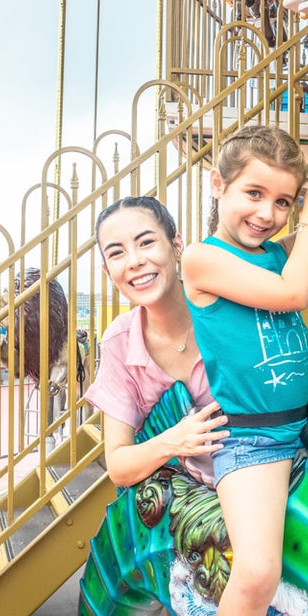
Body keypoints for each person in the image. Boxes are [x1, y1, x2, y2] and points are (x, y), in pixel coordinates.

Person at [180, 55, 308, 616]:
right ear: (219, 185)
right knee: (258, 570)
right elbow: (291, 295)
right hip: (254, 442)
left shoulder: (283, 251)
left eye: (282, 201)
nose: (268, 213)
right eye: (254, 194)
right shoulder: (202, 259)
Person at [87, 196, 230, 489]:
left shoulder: (226, 309)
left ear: (177, 245)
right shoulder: (119, 342)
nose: (135, 261)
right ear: (108, 273)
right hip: (186, 502)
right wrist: (174, 440)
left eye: (146, 243)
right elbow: (118, 465)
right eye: (116, 253)